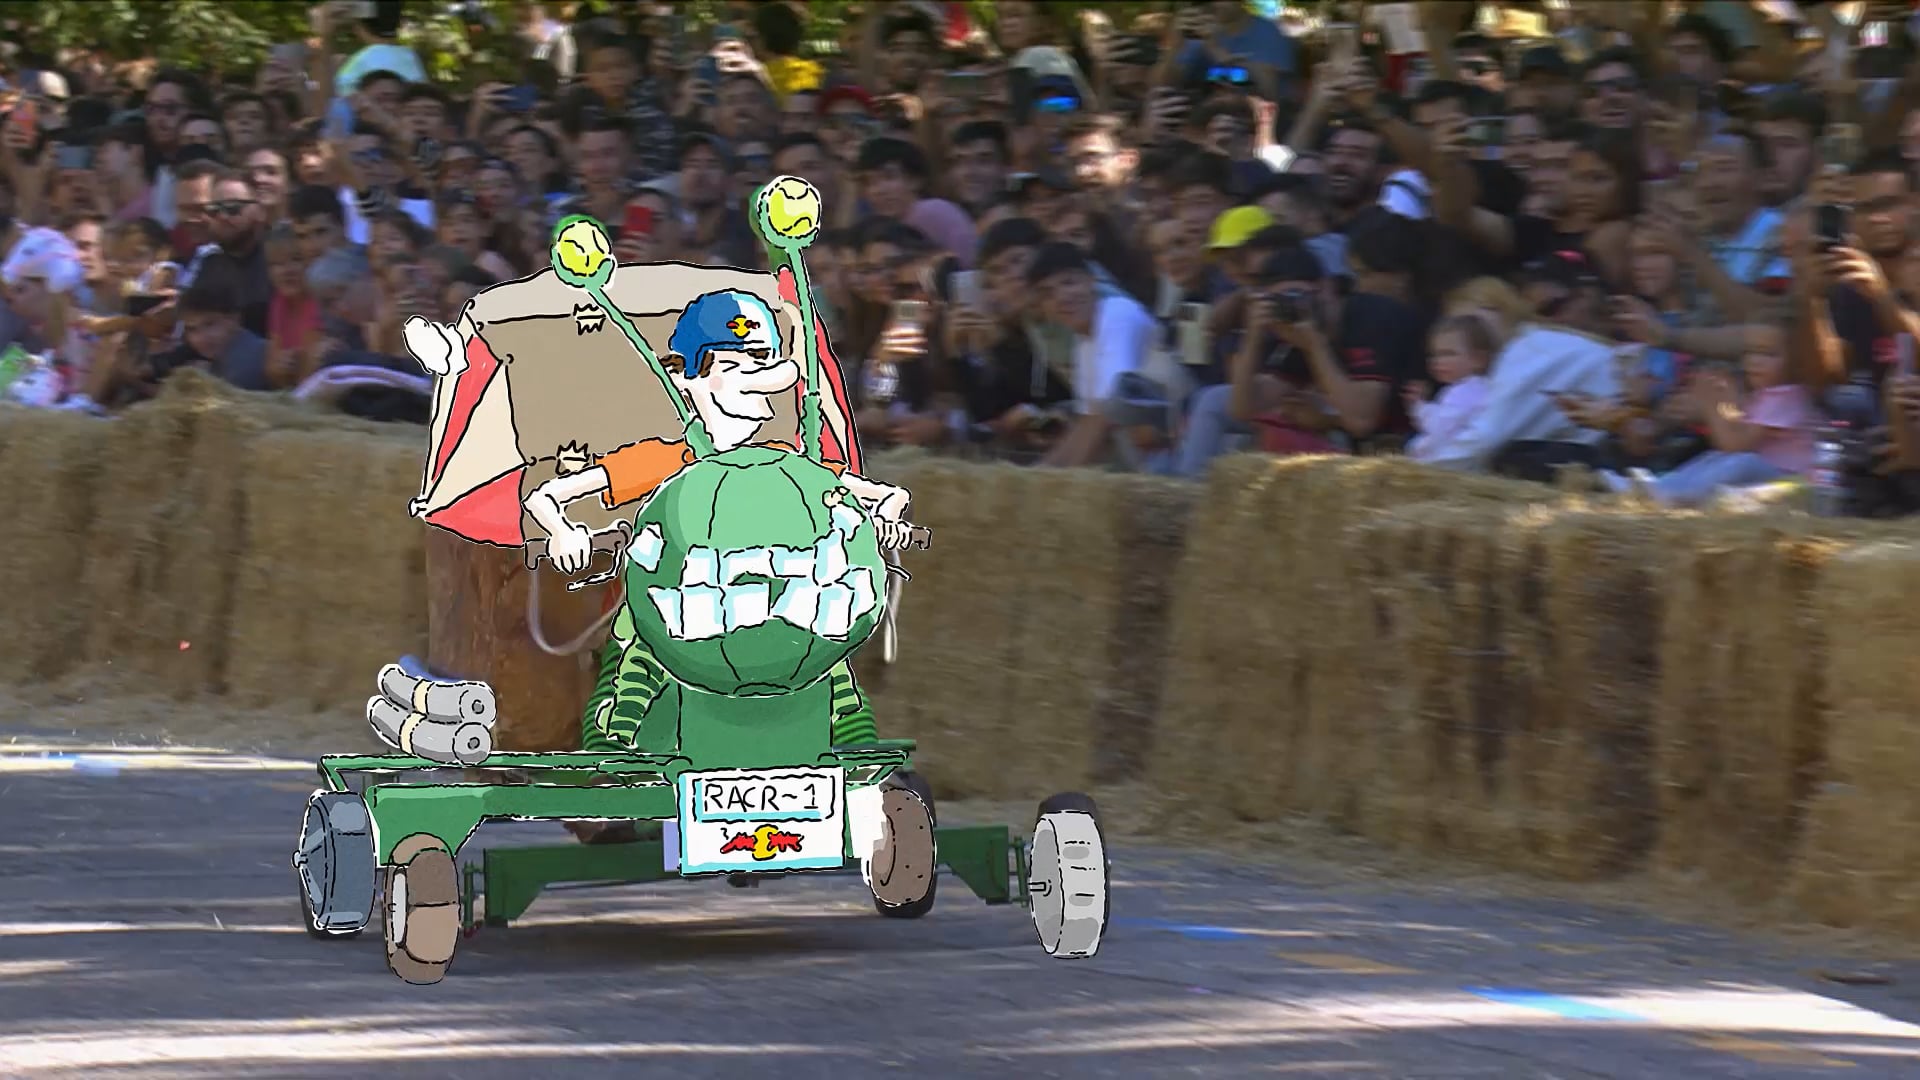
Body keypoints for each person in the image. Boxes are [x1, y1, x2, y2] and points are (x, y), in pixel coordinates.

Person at [1598, 325, 1817, 505]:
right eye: (1750, 352)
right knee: (1714, 457)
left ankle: (1678, 496)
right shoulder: (1765, 395)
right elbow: (1737, 427)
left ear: (1795, 361)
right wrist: (1727, 399)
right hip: (1770, 473)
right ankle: (1660, 486)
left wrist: (1710, 403)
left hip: (1791, 481)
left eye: (1768, 354)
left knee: (1743, 461)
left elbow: (1735, 444)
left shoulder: (1787, 397)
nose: (1754, 361)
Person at [1405, 315, 1497, 464]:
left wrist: (1419, 407)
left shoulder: (1465, 392)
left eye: (1448, 353)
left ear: (1478, 359)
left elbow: (1440, 428)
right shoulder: (1475, 388)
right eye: (1434, 355)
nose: (1438, 361)